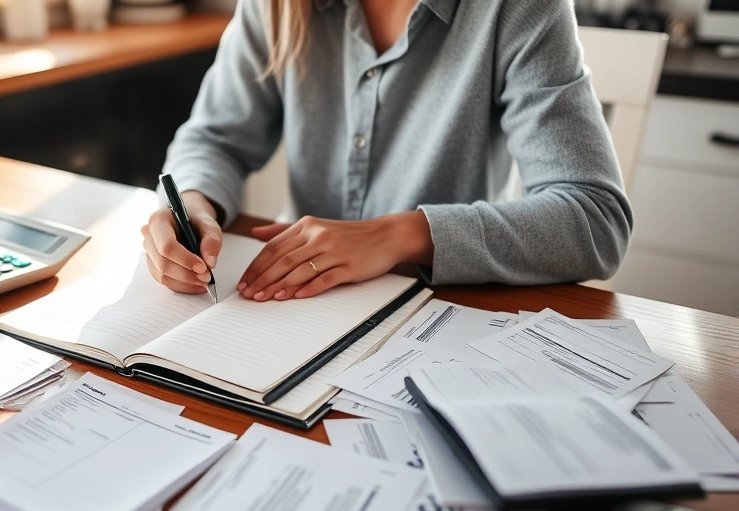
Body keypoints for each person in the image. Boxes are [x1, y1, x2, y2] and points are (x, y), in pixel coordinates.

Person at [142, 0, 632, 302]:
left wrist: (401, 234)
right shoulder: (274, 5)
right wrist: (195, 202)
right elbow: (212, 138)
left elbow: (595, 219)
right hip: (290, 297)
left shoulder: (517, 8)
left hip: (441, 311)